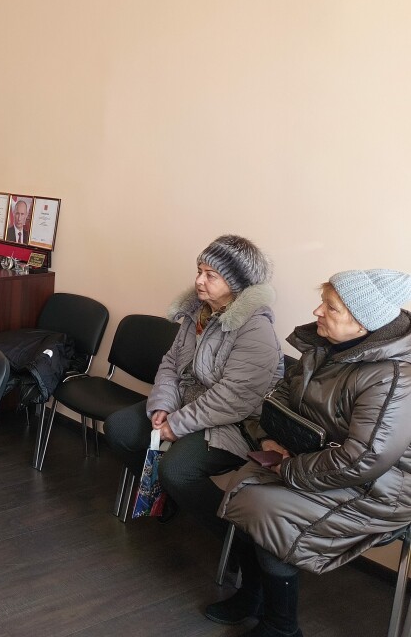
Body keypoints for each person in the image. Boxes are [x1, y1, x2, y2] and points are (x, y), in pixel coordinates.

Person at [212, 270, 411, 637]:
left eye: (331, 308)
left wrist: (290, 469)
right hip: (319, 462)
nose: (318, 311)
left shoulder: (393, 377)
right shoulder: (325, 348)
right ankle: (252, 597)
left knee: (268, 511)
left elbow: (366, 459)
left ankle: (282, 627)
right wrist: (268, 439)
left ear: (363, 322)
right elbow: (281, 397)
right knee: (246, 485)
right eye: (323, 302)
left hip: (379, 489)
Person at [104, 234, 283, 536]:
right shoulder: (197, 312)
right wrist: (163, 405)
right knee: (119, 428)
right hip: (188, 403)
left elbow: (233, 398)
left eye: (211, 275)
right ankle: (168, 496)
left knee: (176, 469)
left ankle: (237, 537)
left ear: (235, 282)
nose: (199, 281)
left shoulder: (256, 329)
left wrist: (176, 425)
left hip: (234, 422)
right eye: (199, 271)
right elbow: (171, 363)